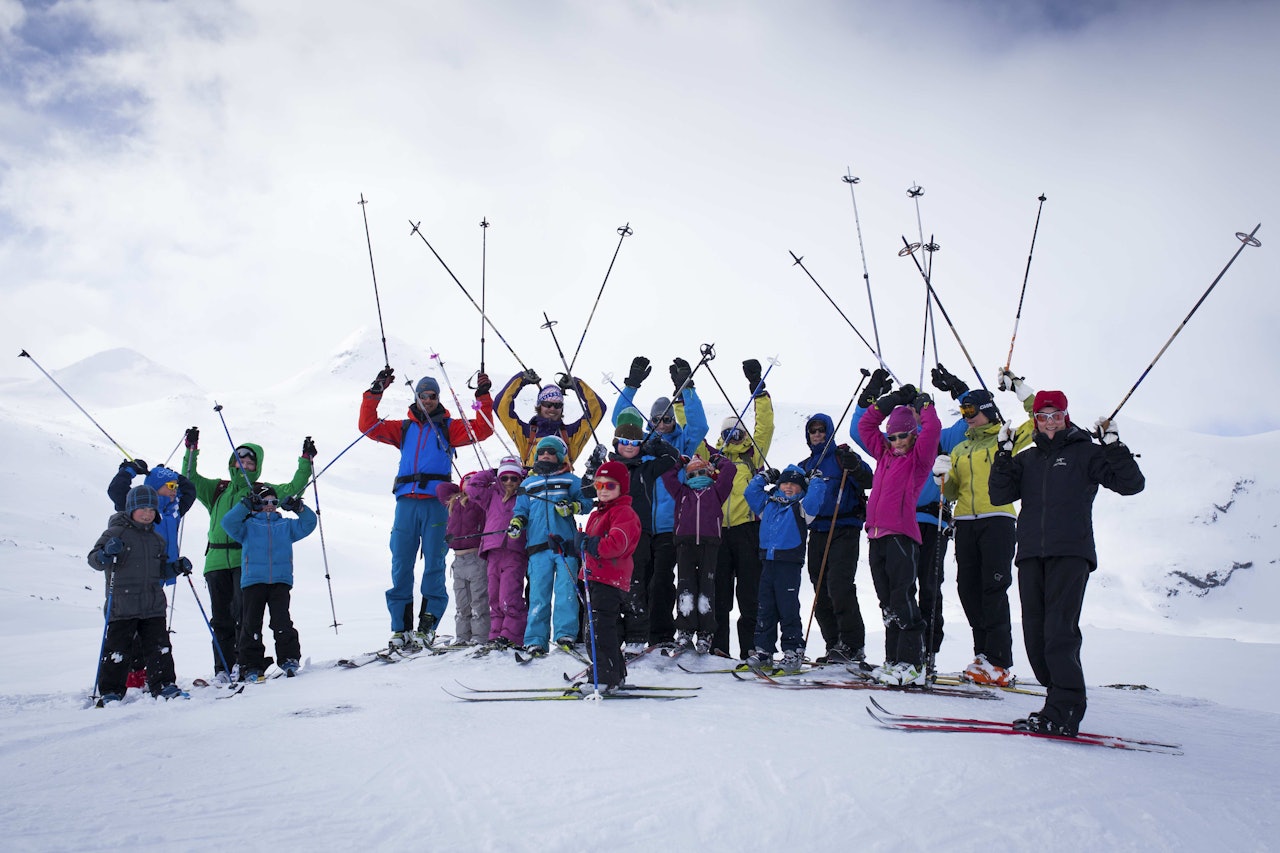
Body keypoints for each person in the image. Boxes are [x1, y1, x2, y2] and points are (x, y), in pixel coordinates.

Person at [990, 390, 1145, 736]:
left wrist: (1114, 446)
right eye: (1043, 416)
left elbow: (1131, 485)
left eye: (1055, 415)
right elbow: (999, 494)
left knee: (1059, 632)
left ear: (1066, 417)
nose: (1049, 422)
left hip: (1070, 553)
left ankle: (1065, 710)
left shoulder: (1086, 453)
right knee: (1035, 635)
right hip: (1031, 554)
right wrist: (1003, 454)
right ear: (1035, 421)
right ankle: (1055, 703)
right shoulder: (1027, 459)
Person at [360, 367, 493, 650]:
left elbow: (483, 429)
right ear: (416, 397)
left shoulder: (448, 426)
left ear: (437, 398)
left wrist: (483, 396)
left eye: (432, 396)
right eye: (423, 395)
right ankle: (400, 628)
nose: (428, 400)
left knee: (434, 564)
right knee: (400, 565)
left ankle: (427, 626)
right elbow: (367, 426)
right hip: (406, 505)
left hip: (436, 505)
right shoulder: (403, 428)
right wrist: (376, 391)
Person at [183, 429, 314, 681]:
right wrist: (191, 450)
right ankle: (223, 666)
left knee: (245, 618)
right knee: (221, 619)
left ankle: (246, 663)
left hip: (247, 561)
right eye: (240, 461)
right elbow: (189, 478)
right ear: (233, 463)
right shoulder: (217, 489)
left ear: (257, 466)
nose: (244, 465)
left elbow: (293, 488)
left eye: (250, 462)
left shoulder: (262, 491)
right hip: (216, 561)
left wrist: (305, 462)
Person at [939, 369, 1037, 686]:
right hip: (965, 522)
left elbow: (1038, 421)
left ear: (987, 411)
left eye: (971, 410)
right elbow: (952, 493)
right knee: (968, 590)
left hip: (998, 519)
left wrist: (1020, 389)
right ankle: (982, 656)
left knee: (993, 589)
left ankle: (999, 661)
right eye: (964, 411)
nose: (966, 416)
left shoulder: (1004, 438)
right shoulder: (959, 449)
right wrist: (941, 478)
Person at [611, 356, 710, 646]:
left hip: (670, 525)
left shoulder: (681, 444)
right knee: (637, 578)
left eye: (667, 419)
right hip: (638, 524)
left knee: (664, 581)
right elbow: (621, 419)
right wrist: (631, 385)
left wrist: (686, 388)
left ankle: (662, 635)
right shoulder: (639, 445)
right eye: (657, 419)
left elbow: (699, 425)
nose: (662, 424)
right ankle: (635, 634)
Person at [858, 385, 942, 686]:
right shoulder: (883, 455)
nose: (896, 441)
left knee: (903, 599)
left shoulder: (918, 460)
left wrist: (924, 406)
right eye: (891, 436)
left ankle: (913, 663)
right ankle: (893, 661)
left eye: (902, 435)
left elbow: (933, 431)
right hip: (876, 536)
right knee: (887, 603)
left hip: (902, 536)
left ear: (912, 435)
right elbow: (865, 425)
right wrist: (891, 401)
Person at [583, 407, 682, 652]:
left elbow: (673, 458)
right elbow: (586, 491)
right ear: (616, 443)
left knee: (635, 584)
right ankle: (613, 636)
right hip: (607, 536)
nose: (630, 446)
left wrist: (654, 445)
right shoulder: (606, 470)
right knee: (609, 586)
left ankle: (638, 637)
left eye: (636, 442)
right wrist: (592, 466)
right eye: (625, 441)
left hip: (639, 535)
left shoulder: (645, 469)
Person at [88, 485, 192, 703]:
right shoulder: (115, 533)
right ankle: (110, 692)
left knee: (160, 648)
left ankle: (164, 685)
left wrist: (176, 568)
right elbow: (95, 560)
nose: (147, 514)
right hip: (122, 606)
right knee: (117, 651)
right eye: (142, 508)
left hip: (152, 605)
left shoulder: (157, 539)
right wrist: (107, 552)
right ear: (131, 509)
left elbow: (160, 571)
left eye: (151, 509)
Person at [106, 458, 197, 689]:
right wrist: (128, 470)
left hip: (159, 573)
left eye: (176, 487)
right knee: (131, 629)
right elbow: (116, 490)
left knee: (152, 626)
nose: (176, 491)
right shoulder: (138, 507)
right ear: (156, 488)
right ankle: (133, 675)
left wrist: (171, 473)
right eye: (171, 486)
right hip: (132, 576)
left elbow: (191, 490)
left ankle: (154, 673)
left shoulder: (173, 511)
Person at [798, 412, 874, 664]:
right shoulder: (806, 466)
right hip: (817, 531)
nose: (817, 434)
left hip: (844, 529)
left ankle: (852, 644)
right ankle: (834, 644)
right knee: (820, 589)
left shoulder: (843, 457)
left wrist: (854, 464)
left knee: (839, 585)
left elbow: (868, 478)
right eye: (813, 431)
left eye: (822, 430)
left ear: (829, 432)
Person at [220, 483, 317, 681]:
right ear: (256, 504)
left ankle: (288, 657)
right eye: (264, 502)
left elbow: (309, 524)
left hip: (280, 581)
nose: (270, 505)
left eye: (274, 501)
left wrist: (299, 508)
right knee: (251, 624)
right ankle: (251, 664)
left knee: (281, 621)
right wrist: (244, 506)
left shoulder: (285, 525)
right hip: (254, 581)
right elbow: (227, 523)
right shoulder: (247, 526)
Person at [712, 358, 775, 659]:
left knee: (750, 594)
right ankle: (718, 646)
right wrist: (684, 398)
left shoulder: (755, 454)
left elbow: (766, 425)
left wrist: (758, 390)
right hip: (719, 533)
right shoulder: (713, 459)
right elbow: (691, 434)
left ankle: (751, 647)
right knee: (719, 594)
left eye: (737, 433)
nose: (732, 438)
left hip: (749, 531)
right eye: (727, 434)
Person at [507, 436, 592, 656]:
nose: (545, 455)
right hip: (537, 548)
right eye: (542, 452)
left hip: (565, 547)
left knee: (566, 592)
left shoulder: (570, 480)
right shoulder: (528, 484)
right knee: (538, 594)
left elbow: (586, 503)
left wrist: (571, 507)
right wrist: (517, 523)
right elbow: (521, 511)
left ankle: (565, 635)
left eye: (551, 452)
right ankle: (535, 639)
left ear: (560, 456)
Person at [743, 465, 826, 674]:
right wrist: (764, 477)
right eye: (785, 483)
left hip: (788, 564)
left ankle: (793, 650)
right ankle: (764, 651)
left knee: (787, 608)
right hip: (767, 562)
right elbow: (750, 493)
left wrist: (815, 480)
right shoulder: (768, 505)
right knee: (765, 607)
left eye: (794, 484)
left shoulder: (802, 508)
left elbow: (816, 498)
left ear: (801, 488)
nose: (789, 487)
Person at [660, 452, 736, 654]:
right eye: (692, 474)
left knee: (706, 589)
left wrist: (718, 459)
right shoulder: (682, 492)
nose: (696, 478)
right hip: (684, 545)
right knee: (685, 587)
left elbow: (730, 471)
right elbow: (667, 475)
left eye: (701, 472)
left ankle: (705, 633)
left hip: (709, 545)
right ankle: (685, 631)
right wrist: (678, 463)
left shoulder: (716, 491)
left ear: (710, 474)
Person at [578, 459, 643, 691]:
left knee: (597, 630)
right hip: (596, 577)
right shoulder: (598, 513)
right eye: (599, 485)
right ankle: (615, 674)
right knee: (603, 627)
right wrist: (571, 545)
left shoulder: (623, 512)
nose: (603, 490)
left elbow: (618, 543)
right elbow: (590, 544)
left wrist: (590, 544)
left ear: (622, 488)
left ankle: (604, 677)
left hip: (608, 579)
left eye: (610, 486)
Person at [466, 457, 529, 650]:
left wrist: (524, 474)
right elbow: (472, 487)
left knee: (509, 595)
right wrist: (493, 472)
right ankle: (495, 635)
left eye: (514, 478)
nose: (509, 482)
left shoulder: (523, 495)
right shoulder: (491, 495)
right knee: (494, 596)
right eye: (505, 478)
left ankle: (512, 636)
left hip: (514, 550)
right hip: (492, 549)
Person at [494, 368, 606, 466]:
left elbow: (597, 409)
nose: (552, 408)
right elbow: (501, 407)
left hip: (563, 489)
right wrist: (521, 379)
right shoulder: (525, 433)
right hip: (532, 488)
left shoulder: (572, 433)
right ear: (539, 406)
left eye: (557, 405)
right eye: (547, 404)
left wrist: (577, 384)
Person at [437, 473, 490, 646]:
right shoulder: (454, 501)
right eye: (467, 481)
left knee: (478, 601)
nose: (470, 484)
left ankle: (480, 637)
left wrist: (478, 485)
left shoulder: (480, 502)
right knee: (462, 603)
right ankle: (462, 637)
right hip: (458, 561)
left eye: (474, 481)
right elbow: (441, 489)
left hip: (476, 558)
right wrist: (459, 489)